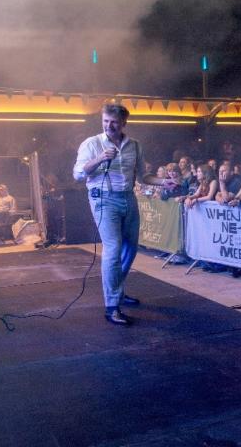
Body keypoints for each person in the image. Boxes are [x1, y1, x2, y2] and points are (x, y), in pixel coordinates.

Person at [73, 102, 176, 326]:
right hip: (103, 199)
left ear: (123, 123)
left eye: (114, 122)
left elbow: (143, 176)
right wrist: (100, 158)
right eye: (105, 121)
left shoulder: (135, 146)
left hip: (128, 198)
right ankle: (112, 306)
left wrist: (162, 182)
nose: (109, 126)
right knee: (112, 248)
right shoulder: (91, 144)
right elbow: (78, 174)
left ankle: (117, 291)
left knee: (131, 246)